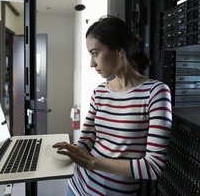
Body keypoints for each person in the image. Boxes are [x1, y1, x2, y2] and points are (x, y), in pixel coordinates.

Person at [53, 16, 172, 196]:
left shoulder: (155, 92)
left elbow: (153, 167)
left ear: (119, 51)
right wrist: (72, 151)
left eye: (95, 53)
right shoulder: (99, 92)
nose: (91, 63)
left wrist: (93, 163)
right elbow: (87, 138)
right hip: (77, 187)